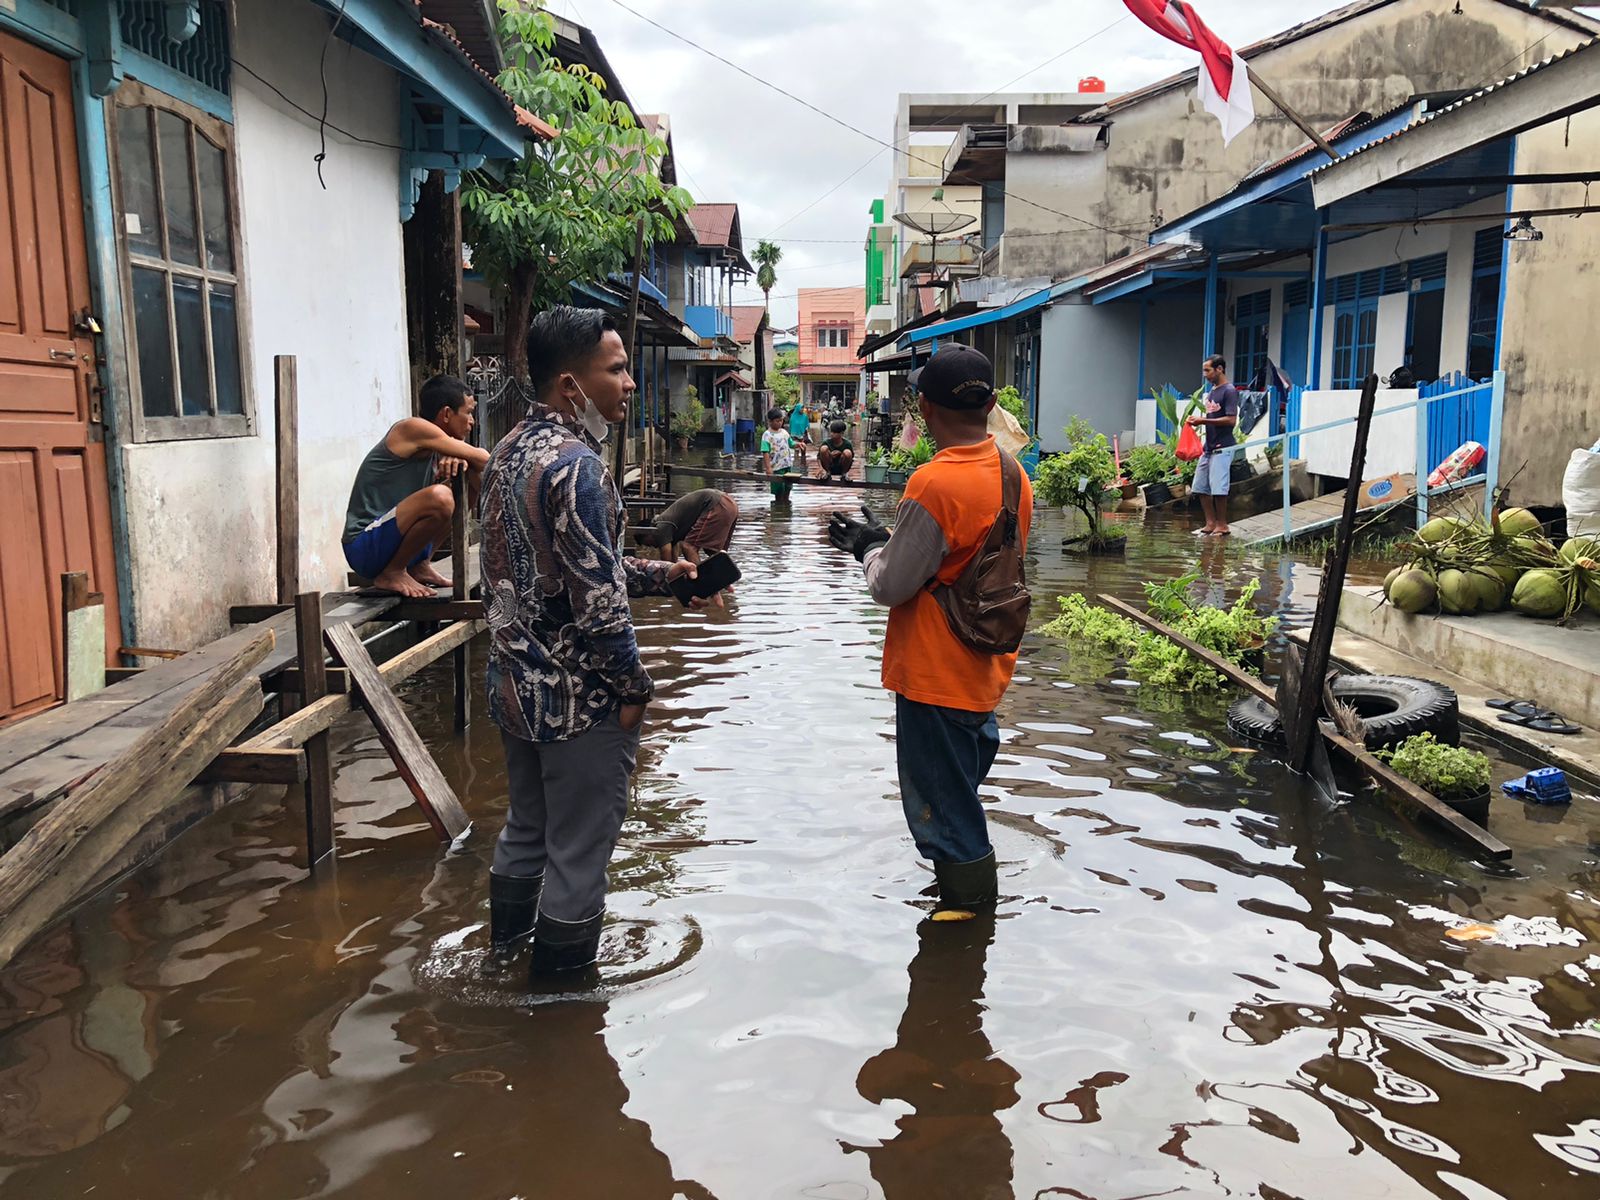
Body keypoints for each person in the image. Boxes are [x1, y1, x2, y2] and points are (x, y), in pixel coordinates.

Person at [479, 306, 706, 980]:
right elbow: (599, 607)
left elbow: (567, 574)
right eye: (618, 368)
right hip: (579, 700)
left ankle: (502, 960)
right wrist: (635, 688)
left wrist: (670, 576)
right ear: (570, 384)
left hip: (515, 688)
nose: (630, 383)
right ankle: (558, 1014)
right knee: (579, 854)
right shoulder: (579, 468)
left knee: (526, 831)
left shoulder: (507, 453)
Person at [825, 345, 1032, 912]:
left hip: (935, 672)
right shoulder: (1014, 474)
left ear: (923, 407)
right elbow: (966, 561)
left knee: (945, 809)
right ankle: (961, 908)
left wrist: (870, 548)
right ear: (990, 404)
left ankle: (966, 917)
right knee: (956, 792)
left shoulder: (933, 482)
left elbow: (892, 586)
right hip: (985, 664)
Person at [341, 376, 488, 598]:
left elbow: (482, 480)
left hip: (386, 544)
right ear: (447, 414)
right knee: (441, 497)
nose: (472, 421)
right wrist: (463, 453)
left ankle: (419, 565)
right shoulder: (411, 428)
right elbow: (486, 458)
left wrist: (462, 460)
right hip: (363, 546)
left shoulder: (436, 445)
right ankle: (392, 572)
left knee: (464, 480)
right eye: (468, 412)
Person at [1190, 354, 1240, 537]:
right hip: (1208, 448)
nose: (1205, 374)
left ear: (1219, 369)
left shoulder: (1229, 391)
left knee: (1219, 488)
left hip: (1223, 447)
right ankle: (1210, 523)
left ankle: (1222, 524)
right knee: (1200, 487)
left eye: (1208, 370)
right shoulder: (1212, 392)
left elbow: (1231, 420)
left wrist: (1202, 420)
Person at [631, 488, 740, 564]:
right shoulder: (670, 530)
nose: (653, 547)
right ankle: (723, 586)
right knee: (714, 553)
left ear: (648, 533)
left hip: (716, 504)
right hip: (730, 504)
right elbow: (673, 561)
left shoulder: (659, 527)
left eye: (648, 544)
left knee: (688, 547)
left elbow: (666, 563)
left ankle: (700, 584)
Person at [761, 407, 797, 501]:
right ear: (770, 421)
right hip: (776, 467)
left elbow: (791, 444)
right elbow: (765, 452)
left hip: (787, 465)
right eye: (777, 421)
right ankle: (778, 509)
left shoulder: (784, 432)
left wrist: (799, 445)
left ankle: (785, 509)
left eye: (781, 420)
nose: (780, 423)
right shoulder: (767, 435)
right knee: (779, 490)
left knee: (788, 488)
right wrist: (768, 468)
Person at [788, 400, 812, 468]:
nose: (802, 409)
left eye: (803, 408)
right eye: (801, 408)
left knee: (803, 449)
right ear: (798, 408)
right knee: (796, 449)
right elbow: (791, 426)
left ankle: (803, 463)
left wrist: (806, 431)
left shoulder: (805, 417)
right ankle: (796, 464)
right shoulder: (793, 417)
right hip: (794, 435)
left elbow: (807, 425)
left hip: (803, 435)